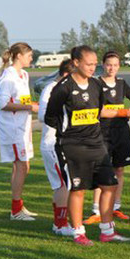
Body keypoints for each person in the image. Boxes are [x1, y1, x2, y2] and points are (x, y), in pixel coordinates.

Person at [44, 46, 130, 246]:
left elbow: (98, 111)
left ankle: (107, 231)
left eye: (94, 64)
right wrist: (69, 132)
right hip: (73, 145)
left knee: (110, 184)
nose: (93, 68)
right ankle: (78, 232)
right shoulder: (63, 87)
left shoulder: (96, 85)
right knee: (78, 188)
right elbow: (50, 117)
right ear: (75, 63)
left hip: (96, 143)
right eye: (88, 64)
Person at [84, 51, 130, 225]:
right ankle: (96, 209)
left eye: (115, 65)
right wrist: (123, 112)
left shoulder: (122, 83)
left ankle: (115, 206)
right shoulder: (96, 83)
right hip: (102, 133)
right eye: (109, 64)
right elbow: (97, 110)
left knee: (119, 170)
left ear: (119, 66)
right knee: (102, 170)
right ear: (103, 64)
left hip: (121, 132)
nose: (112, 68)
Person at [0, 42, 38, 220]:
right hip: (12, 130)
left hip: (24, 128)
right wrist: (28, 106)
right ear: (19, 56)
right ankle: (15, 210)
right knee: (22, 166)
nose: (31, 58)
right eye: (29, 55)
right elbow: (3, 104)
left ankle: (18, 206)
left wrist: (29, 107)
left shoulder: (24, 75)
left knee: (22, 166)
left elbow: (22, 100)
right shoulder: (8, 77)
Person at [40, 59, 73, 236]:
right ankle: (60, 224)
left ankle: (60, 222)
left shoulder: (66, 89)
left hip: (62, 143)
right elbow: (42, 115)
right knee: (63, 184)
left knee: (63, 184)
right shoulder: (51, 89)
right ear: (66, 75)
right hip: (52, 143)